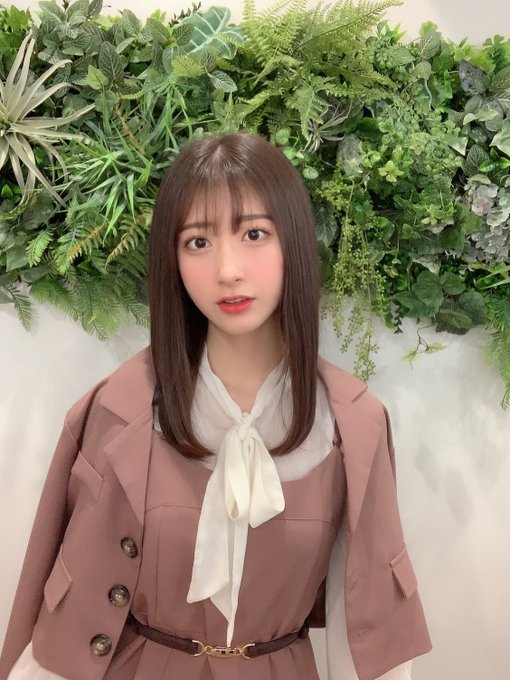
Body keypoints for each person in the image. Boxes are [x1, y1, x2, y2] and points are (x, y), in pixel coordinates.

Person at [0, 131, 432, 680]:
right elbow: (70, 611)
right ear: (173, 259)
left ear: (293, 242)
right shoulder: (120, 411)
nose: (228, 269)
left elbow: (366, 633)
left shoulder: (352, 426)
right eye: (198, 241)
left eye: (254, 234)